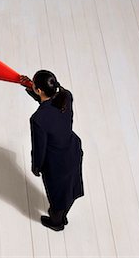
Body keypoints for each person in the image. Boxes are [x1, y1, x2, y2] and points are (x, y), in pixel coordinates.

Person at [21, 71, 84, 231]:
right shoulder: (65, 96)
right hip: (72, 152)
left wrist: (37, 166)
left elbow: (39, 148)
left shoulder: (38, 119)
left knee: (57, 195)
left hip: (56, 163)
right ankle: (63, 215)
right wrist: (30, 87)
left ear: (40, 90)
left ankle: (57, 222)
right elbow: (49, 106)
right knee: (69, 188)